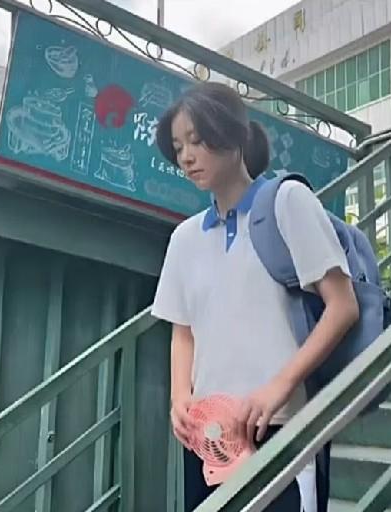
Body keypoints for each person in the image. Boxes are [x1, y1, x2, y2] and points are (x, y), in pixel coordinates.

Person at [151, 81, 359, 512]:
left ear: (232, 135)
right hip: (208, 440)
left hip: (282, 430)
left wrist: (277, 388)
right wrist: (179, 397)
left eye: (197, 139)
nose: (186, 156)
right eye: (178, 146)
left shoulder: (289, 202)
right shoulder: (184, 238)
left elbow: (343, 307)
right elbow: (183, 331)